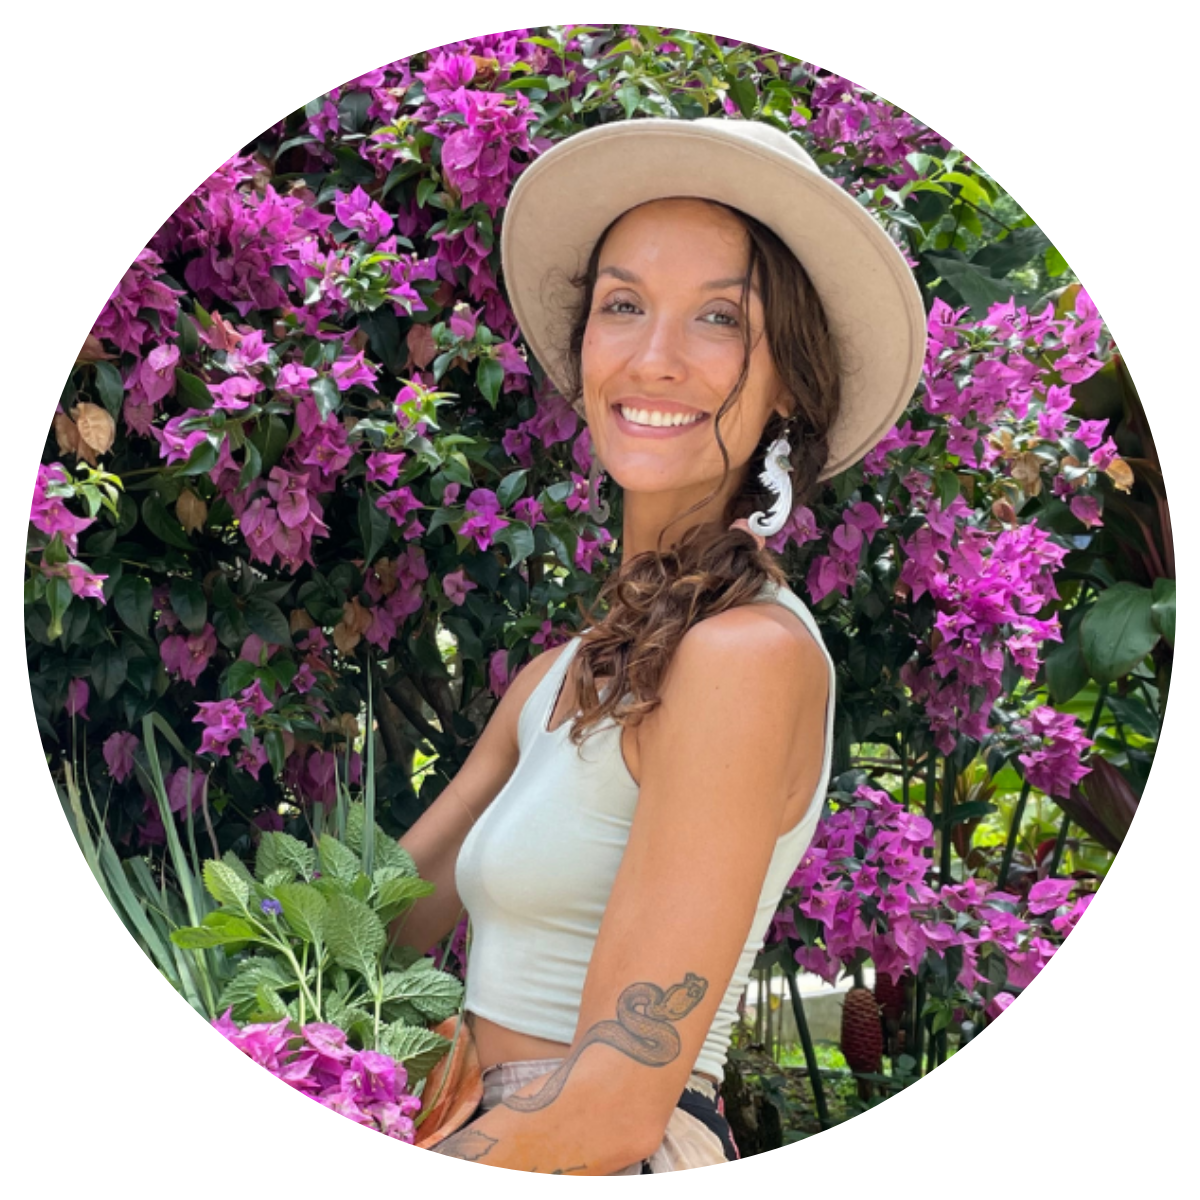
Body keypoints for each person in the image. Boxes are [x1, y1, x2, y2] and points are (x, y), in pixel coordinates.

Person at [391, 116, 926, 1173]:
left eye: (720, 317)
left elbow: (609, 1110)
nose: (654, 357)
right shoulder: (552, 679)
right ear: (584, 348)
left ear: (790, 384)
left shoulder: (745, 658)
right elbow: (370, 928)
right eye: (623, 305)